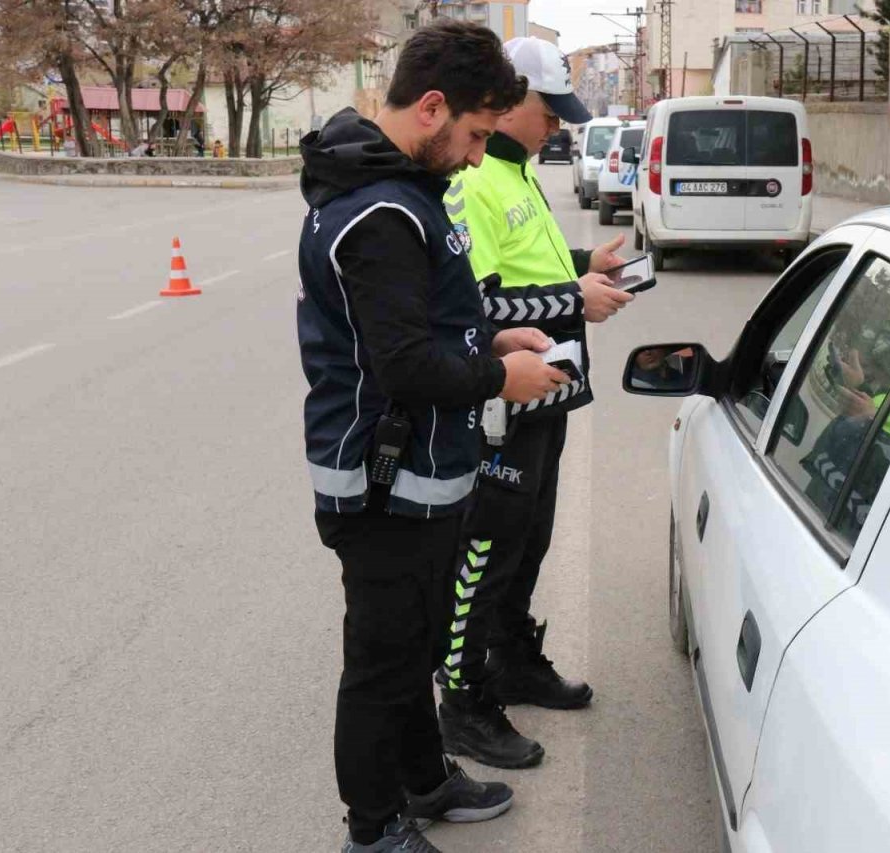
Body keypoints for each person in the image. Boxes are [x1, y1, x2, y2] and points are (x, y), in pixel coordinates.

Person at [296, 21, 568, 853]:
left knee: (415, 643)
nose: (481, 155)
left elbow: (420, 329)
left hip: (419, 473)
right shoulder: (377, 212)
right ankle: (374, 830)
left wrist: (488, 341)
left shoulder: (402, 193)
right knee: (383, 664)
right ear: (432, 108)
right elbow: (405, 365)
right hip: (382, 484)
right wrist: (498, 379)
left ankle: (423, 777)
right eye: (478, 134)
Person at [436, 35, 635, 770]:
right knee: (486, 548)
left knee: (530, 541)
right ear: (507, 99)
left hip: (548, 393)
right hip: (503, 399)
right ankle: (461, 700)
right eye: (546, 110)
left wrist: (588, 265)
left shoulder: (519, 172)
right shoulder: (475, 177)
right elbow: (478, 305)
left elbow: (535, 266)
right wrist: (573, 295)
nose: (556, 125)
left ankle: (513, 658)